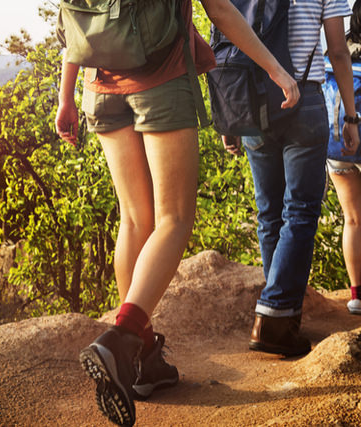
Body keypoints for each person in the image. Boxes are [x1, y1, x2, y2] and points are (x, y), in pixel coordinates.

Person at [55, 0, 299, 425]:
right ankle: (121, 339)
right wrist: (276, 70)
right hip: (160, 84)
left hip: (96, 85)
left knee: (133, 220)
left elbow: (78, 20)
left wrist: (65, 97)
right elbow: (221, 10)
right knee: (174, 219)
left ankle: (145, 361)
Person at [222, 0, 359, 356]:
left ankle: (282, 312)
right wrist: (350, 115)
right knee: (299, 210)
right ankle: (275, 314)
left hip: (253, 98)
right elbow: (339, 52)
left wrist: (231, 116)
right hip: (305, 101)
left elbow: (230, 35)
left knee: (269, 213)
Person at [324, 0, 361, 315]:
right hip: (355, 130)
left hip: (337, 146)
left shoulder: (338, 52)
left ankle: (356, 295)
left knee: (352, 218)